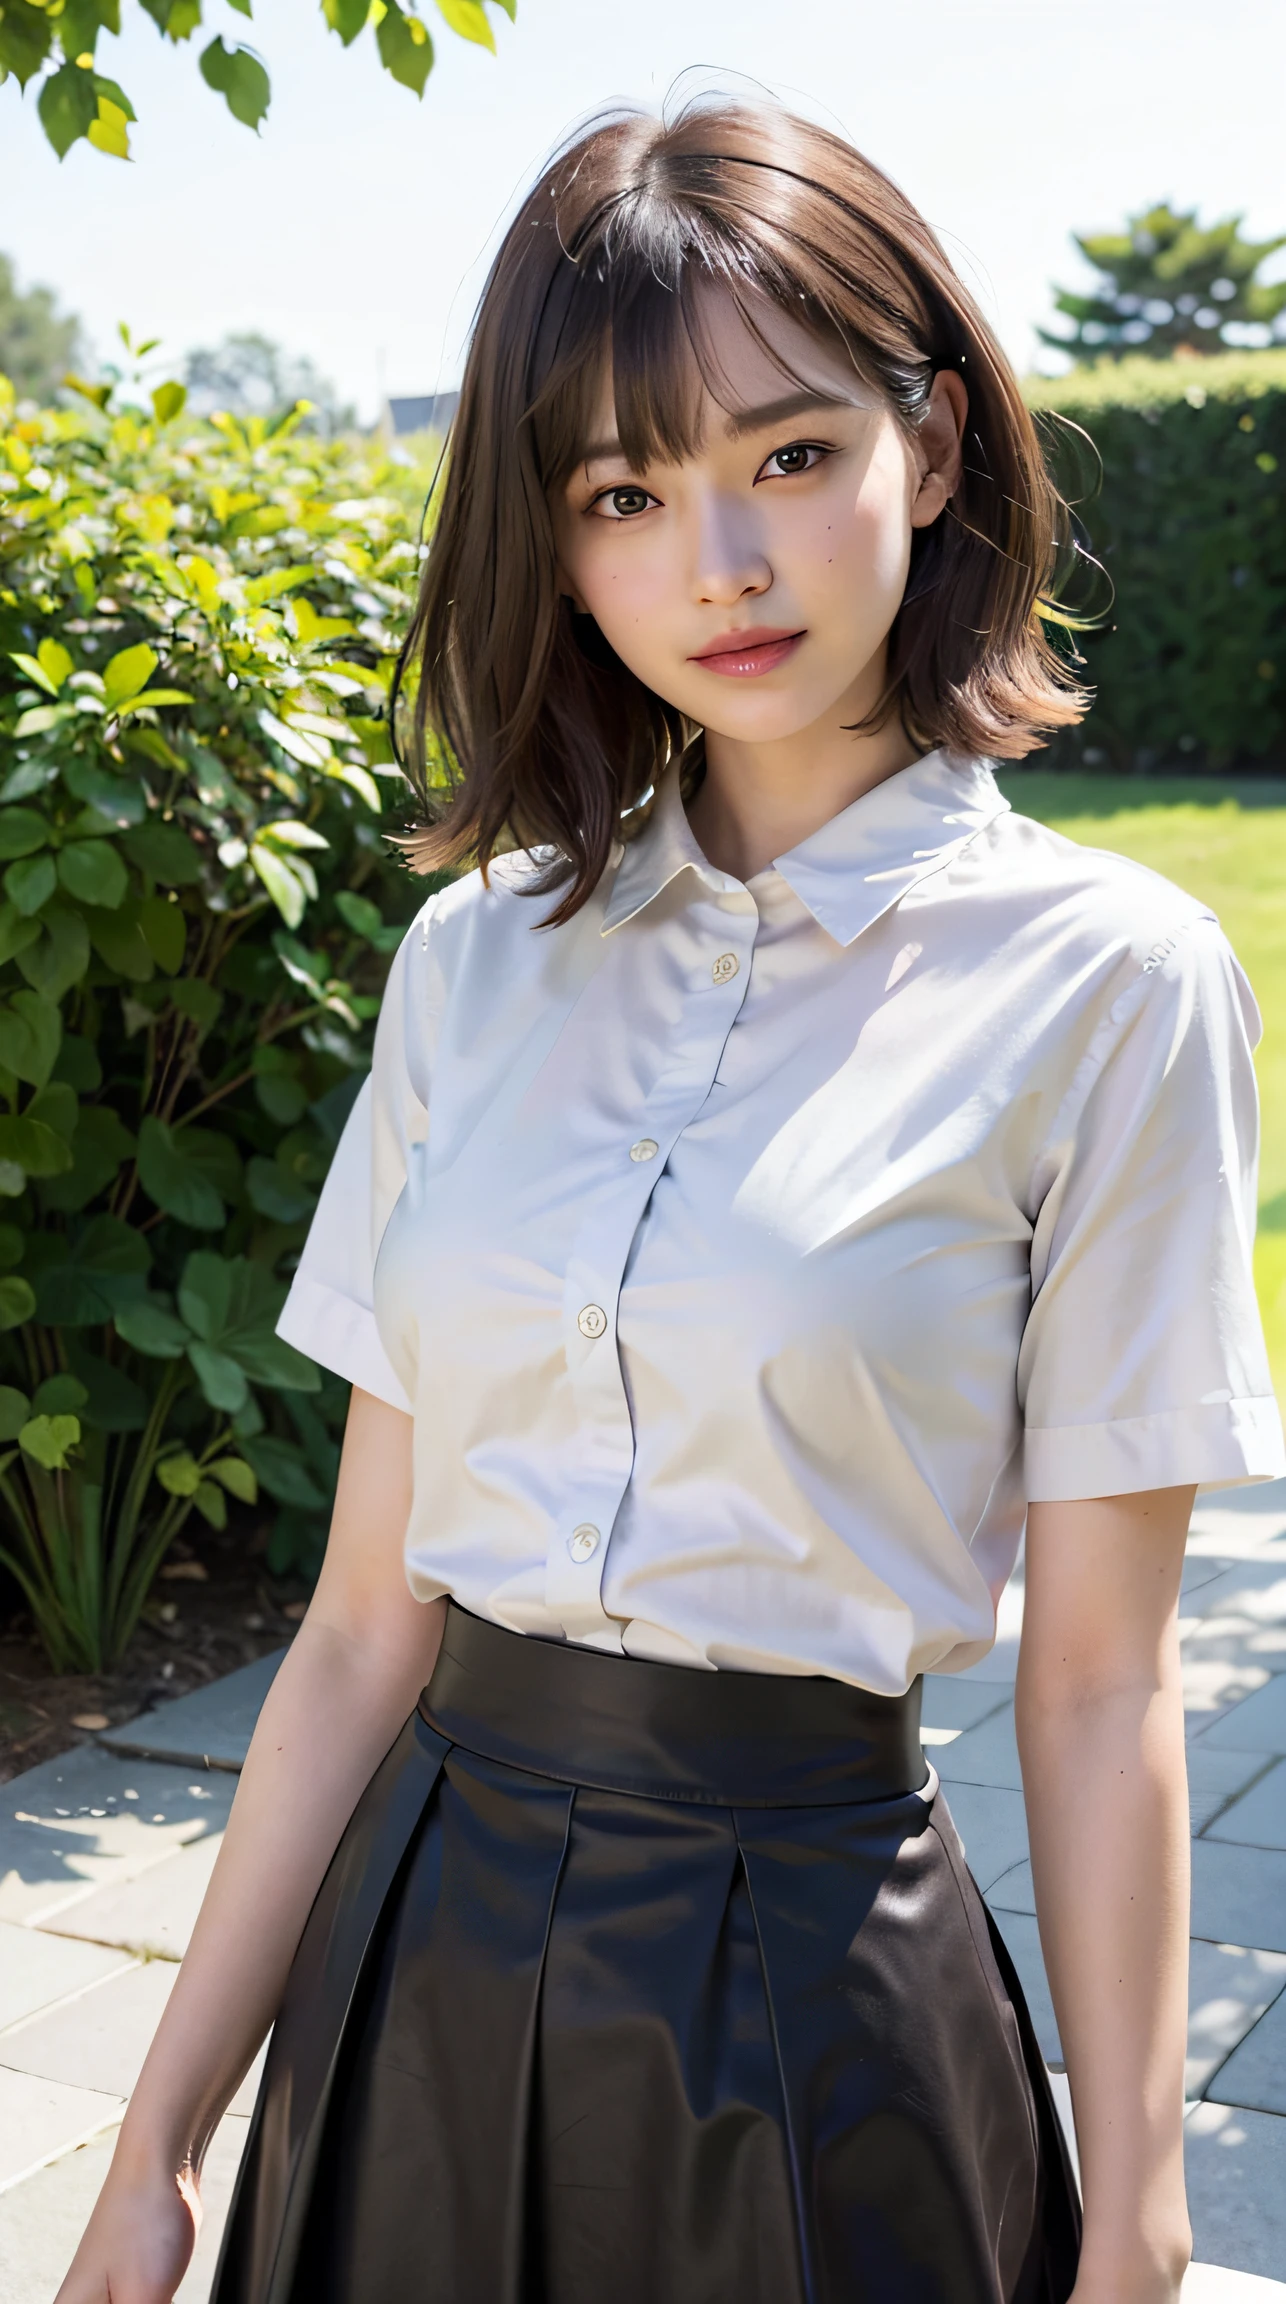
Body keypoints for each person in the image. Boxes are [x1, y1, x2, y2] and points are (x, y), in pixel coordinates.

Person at [57, 99, 1283, 2304]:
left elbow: (1099, 1693)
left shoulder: (1108, 987)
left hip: (812, 2011)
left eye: (788, 456)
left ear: (930, 444)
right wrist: (155, 2139)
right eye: (624, 494)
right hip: (407, 1964)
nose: (719, 562)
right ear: (556, 541)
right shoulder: (473, 963)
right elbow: (357, 1631)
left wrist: (1144, 2221)